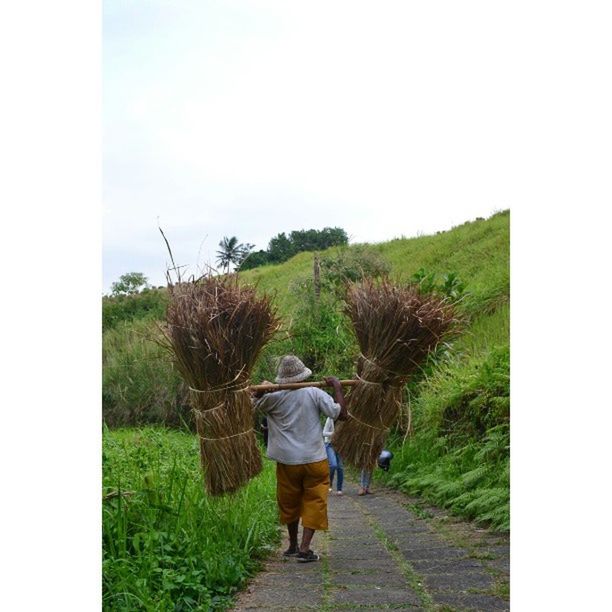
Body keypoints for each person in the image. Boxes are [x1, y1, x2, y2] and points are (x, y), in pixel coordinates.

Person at [253, 355, 347, 563]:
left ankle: (293, 546)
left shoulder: (272, 399)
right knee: (315, 501)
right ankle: (305, 549)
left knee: (290, 502)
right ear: (304, 375)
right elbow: (340, 414)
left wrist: (260, 391)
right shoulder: (314, 393)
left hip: (287, 462)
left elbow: (252, 403)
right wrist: (338, 388)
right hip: (314, 460)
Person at [323, 417, 344, 495]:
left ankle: (339, 489)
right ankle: (330, 483)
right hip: (330, 444)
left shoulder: (343, 418)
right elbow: (324, 432)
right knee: (333, 465)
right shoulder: (330, 419)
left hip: (340, 445)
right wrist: (333, 433)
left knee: (340, 467)